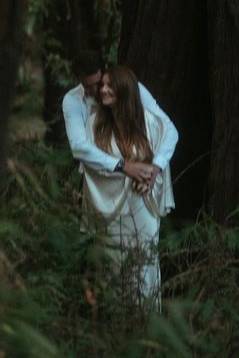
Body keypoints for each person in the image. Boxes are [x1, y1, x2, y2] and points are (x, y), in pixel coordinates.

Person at [82, 65, 175, 309]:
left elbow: (169, 138)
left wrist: (152, 171)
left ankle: (146, 326)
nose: (102, 90)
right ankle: (115, 327)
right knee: (113, 267)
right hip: (111, 209)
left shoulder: (148, 122)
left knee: (144, 266)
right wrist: (126, 169)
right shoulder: (94, 124)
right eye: (101, 85)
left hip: (142, 205)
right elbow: (91, 164)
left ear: (123, 89)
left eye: (109, 85)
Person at [62, 50, 178, 189]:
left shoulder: (132, 89)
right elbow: (79, 147)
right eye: (87, 86)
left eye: (97, 84)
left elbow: (168, 129)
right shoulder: (73, 100)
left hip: (140, 169)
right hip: (100, 181)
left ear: (105, 68)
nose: (95, 90)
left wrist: (156, 166)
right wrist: (123, 166)